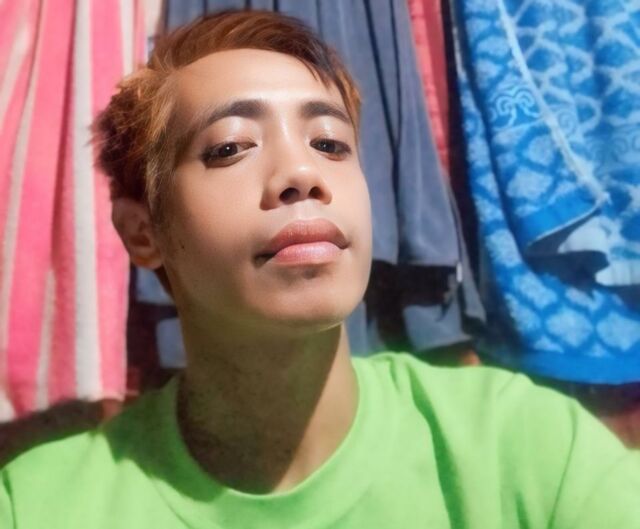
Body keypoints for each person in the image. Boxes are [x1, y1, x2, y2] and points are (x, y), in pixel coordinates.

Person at [1, 9, 639, 529]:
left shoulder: (526, 446)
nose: (303, 173)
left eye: (330, 144)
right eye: (230, 147)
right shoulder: (38, 505)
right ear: (143, 233)